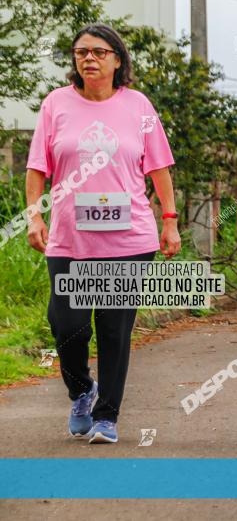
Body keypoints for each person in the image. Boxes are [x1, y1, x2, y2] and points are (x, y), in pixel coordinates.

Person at [25, 23, 180, 444]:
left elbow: (158, 167)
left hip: (127, 239)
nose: (88, 58)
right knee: (67, 325)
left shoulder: (138, 105)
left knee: (114, 329)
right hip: (71, 239)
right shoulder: (56, 104)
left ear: (117, 59)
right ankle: (81, 391)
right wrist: (34, 216)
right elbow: (38, 166)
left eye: (98, 51)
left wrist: (170, 219)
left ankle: (107, 416)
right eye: (80, 52)